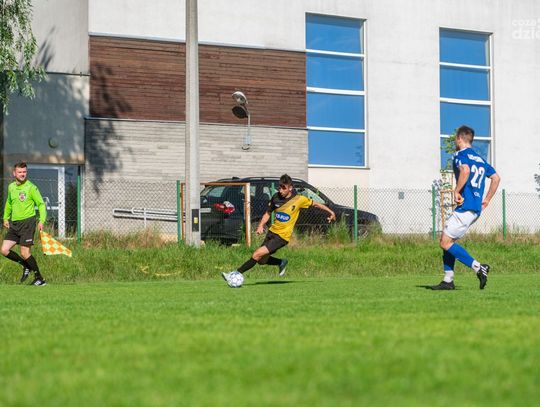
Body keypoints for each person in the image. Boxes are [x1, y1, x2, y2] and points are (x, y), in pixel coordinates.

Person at [222, 174, 336, 283]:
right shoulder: (276, 197)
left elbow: (316, 204)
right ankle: (281, 262)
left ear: (290, 188)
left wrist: (331, 212)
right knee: (261, 261)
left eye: (283, 188)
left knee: (256, 254)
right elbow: (268, 213)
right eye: (279, 187)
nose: (280, 190)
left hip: (282, 237)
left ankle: (233, 274)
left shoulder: (299, 199)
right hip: (272, 232)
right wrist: (260, 225)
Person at [431, 125, 500, 290]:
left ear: (459, 138)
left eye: (456, 138)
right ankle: (448, 280)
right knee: (449, 241)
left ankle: (479, 267)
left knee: (445, 242)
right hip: (475, 208)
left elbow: (465, 170)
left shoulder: (460, 155)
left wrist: (456, 191)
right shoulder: (480, 159)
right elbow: (496, 178)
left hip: (466, 206)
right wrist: (487, 199)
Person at [1, 162, 47, 286]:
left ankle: (40, 278)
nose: (22, 174)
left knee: (24, 252)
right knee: (4, 250)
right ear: (14, 173)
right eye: (20, 172)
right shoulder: (11, 187)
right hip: (14, 224)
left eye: (24, 172)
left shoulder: (31, 187)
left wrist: (41, 220)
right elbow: (9, 203)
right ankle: (25, 265)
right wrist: (5, 218)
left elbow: (41, 204)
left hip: (28, 223)